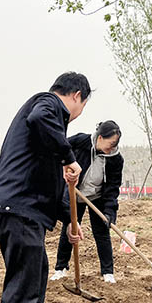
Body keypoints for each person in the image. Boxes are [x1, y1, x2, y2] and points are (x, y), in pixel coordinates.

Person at [0, 71, 89, 303]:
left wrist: (70, 223)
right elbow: (40, 118)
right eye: (83, 104)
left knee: (37, 277)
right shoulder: (47, 105)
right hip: (16, 209)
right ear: (76, 96)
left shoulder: (48, 134)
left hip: (24, 211)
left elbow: (50, 186)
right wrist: (70, 157)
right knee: (22, 286)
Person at [51, 120, 123, 284]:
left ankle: (107, 272)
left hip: (97, 197)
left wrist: (110, 212)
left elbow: (113, 188)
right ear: (100, 138)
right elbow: (61, 151)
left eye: (115, 144)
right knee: (70, 230)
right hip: (74, 193)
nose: (112, 147)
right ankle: (60, 268)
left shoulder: (115, 159)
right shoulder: (80, 142)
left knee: (102, 231)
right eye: (110, 143)